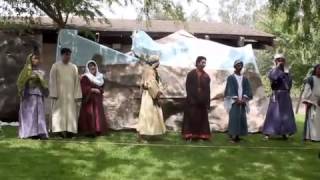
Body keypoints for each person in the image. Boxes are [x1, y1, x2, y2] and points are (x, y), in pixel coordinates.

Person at [49, 48, 82, 138]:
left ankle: (70, 132)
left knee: (70, 113)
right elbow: (52, 80)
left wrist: (77, 94)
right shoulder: (55, 66)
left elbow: (77, 82)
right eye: (66, 54)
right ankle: (58, 132)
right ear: (62, 55)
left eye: (69, 55)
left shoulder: (74, 67)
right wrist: (54, 93)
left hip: (70, 95)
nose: (68, 57)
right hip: (59, 95)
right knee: (58, 113)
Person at [262, 54, 296, 140]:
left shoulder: (287, 73)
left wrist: (287, 92)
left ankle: (284, 133)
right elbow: (273, 77)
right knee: (273, 114)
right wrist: (277, 67)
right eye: (279, 60)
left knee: (285, 115)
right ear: (276, 61)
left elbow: (290, 84)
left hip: (285, 96)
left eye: (282, 60)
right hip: (276, 95)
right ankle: (268, 133)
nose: (281, 62)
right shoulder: (273, 71)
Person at [16, 50, 49, 139]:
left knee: (39, 114)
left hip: (38, 94)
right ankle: (29, 133)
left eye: (38, 59)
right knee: (30, 114)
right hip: (28, 95)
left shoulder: (40, 72)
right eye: (35, 59)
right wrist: (29, 78)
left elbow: (45, 84)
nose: (36, 60)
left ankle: (40, 132)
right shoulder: (25, 71)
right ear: (30, 60)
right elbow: (20, 82)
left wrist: (41, 81)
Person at [136, 55, 166, 141]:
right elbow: (151, 84)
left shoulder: (151, 70)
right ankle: (141, 136)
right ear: (155, 62)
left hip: (148, 94)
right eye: (158, 61)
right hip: (149, 95)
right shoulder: (150, 71)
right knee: (146, 114)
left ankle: (148, 133)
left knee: (150, 114)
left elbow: (154, 82)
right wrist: (157, 94)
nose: (159, 63)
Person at [182, 56, 211, 141]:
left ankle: (201, 136)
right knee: (191, 118)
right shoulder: (191, 74)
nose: (204, 64)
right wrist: (192, 98)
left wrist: (207, 102)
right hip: (192, 101)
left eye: (205, 62)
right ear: (197, 63)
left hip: (202, 102)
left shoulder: (206, 76)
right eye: (202, 62)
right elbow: (188, 87)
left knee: (202, 119)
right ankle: (189, 136)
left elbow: (208, 90)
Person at [224, 60, 252, 143]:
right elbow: (230, 89)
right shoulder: (231, 78)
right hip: (234, 101)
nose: (240, 66)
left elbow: (247, 89)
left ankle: (238, 136)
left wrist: (244, 99)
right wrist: (236, 99)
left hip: (242, 101)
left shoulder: (245, 79)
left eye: (241, 65)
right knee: (234, 117)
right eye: (238, 65)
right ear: (235, 66)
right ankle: (233, 136)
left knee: (241, 117)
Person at [78, 60, 109, 137]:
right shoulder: (85, 77)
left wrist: (100, 90)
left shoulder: (100, 77)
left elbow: (102, 88)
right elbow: (82, 88)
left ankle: (98, 130)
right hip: (89, 99)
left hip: (97, 99)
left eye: (93, 65)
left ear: (96, 67)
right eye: (90, 66)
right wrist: (92, 89)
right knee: (90, 114)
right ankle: (90, 131)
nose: (92, 67)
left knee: (97, 114)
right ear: (88, 68)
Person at [302, 64, 320, 142]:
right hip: (312, 103)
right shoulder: (311, 79)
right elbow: (307, 91)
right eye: (319, 69)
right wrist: (310, 101)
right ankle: (312, 137)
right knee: (313, 120)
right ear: (315, 70)